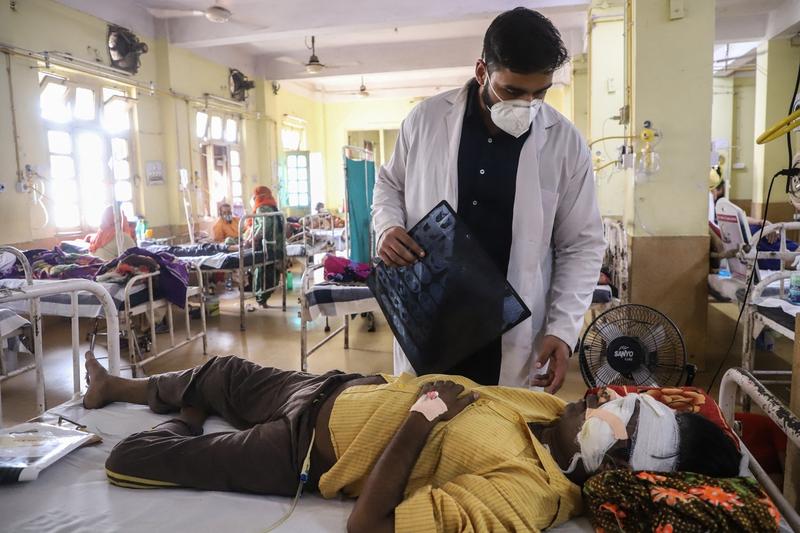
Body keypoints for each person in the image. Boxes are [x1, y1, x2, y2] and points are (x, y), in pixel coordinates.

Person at [84, 354, 741, 533]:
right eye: (623, 396)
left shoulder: (526, 494)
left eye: (622, 416)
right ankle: (115, 385)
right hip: (330, 386)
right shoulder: (551, 411)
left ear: (611, 462)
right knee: (222, 369)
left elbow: (370, 525)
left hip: (303, 450)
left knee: (132, 458)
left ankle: (185, 420)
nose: (602, 398)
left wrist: (423, 417)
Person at [372, 8, 605, 392]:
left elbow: (581, 244)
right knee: (424, 416)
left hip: (509, 329)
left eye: (540, 93)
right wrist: (387, 226)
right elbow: (390, 183)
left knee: (501, 423)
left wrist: (563, 329)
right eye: (512, 91)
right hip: (432, 314)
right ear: (482, 71)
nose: (527, 104)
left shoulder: (564, 143)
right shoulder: (426, 120)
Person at [246, 186, 285, 306]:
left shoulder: (262, 208)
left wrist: (253, 238)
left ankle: (261, 299)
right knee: (272, 274)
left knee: (263, 274)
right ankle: (263, 299)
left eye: (254, 196)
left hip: (267, 247)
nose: (253, 199)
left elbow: (264, 226)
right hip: (277, 246)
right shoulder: (273, 207)